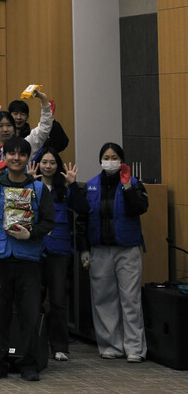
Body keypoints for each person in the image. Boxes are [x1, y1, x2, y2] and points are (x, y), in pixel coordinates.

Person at [0, 138, 54, 382]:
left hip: (28, 259)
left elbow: (48, 222)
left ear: (28, 159)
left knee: (28, 314)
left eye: (22, 154)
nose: (17, 158)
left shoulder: (38, 190)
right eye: (12, 153)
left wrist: (32, 233)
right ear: (5, 156)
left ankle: (29, 364)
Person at [78, 143, 148, 363]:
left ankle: (135, 347)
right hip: (100, 249)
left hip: (127, 249)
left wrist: (127, 186)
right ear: (100, 160)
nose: (110, 161)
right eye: (106, 157)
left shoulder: (134, 184)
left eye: (114, 157)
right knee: (103, 299)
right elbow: (82, 220)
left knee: (130, 299)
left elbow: (140, 208)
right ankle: (111, 345)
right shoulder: (90, 186)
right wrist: (84, 249)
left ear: (122, 160)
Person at [36, 149, 79, 362]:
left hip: (59, 250)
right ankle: (35, 342)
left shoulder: (65, 189)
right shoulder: (31, 186)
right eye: (44, 162)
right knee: (33, 299)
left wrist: (73, 185)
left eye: (52, 162)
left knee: (58, 300)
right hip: (35, 249)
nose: (48, 166)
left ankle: (60, 346)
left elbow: (83, 208)